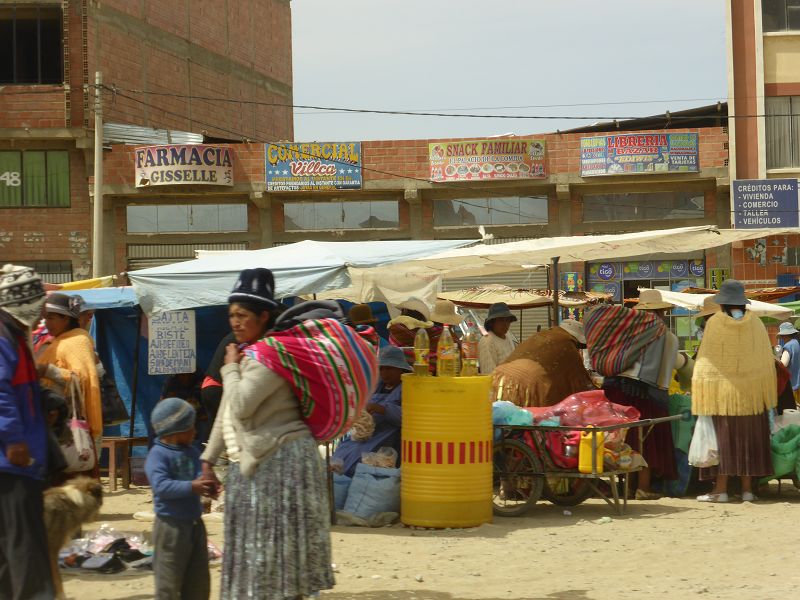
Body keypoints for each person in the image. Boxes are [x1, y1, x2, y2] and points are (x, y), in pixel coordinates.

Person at [200, 268, 335, 599]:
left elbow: (241, 404)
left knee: (279, 559)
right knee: (261, 557)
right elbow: (227, 410)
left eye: (242, 315)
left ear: (263, 316)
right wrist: (207, 460)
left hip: (283, 465)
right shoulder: (251, 352)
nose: (235, 322)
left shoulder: (274, 353)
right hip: (258, 465)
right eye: (231, 315)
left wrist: (229, 367)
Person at [586, 289, 684, 500]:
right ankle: (643, 487)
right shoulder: (668, 337)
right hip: (646, 394)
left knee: (624, 439)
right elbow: (668, 368)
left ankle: (628, 486)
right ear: (662, 312)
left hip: (617, 390)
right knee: (645, 440)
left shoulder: (626, 331)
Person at [692, 280, 776, 503]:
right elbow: (766, 360)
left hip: (724, 398)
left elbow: (706, 362)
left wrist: (702, 387)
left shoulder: (715, 323)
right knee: (747, 442)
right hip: (752, 397)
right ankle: (747, 491)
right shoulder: (756, 323)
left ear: (722, 303)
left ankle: (720, 490)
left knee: (725, 442)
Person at [0, 264, 56, 599]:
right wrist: (14, 439)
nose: (44, 311)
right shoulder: (4, 338)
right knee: (27, 552)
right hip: (13, 464)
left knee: (10, 551)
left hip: (19, 463)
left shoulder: (16, 337)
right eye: (41, 303)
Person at [145, 397, 212, 600]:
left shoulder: (192, 451)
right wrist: (192, 486)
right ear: (176, 430)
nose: (195, 431)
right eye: (191, 427)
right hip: (170, 527)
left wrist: (208, 486)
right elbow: (161, 486)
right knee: (169, 581)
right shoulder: (158, 455)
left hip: (195, 525)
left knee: (198, 581)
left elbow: (198, 477)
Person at [35, 293, 103, 471]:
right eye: (45, 318)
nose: (46, 323)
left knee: (75, 482)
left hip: (71, 427)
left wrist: (47, 371)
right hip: (52, 422)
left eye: (51, 318)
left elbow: (82, 379)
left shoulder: (78, 341)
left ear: (66, 318)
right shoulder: (55, 342)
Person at [332, 345, 410, 476]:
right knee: (341, 453)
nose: (384, 373)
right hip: (366, 434)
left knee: (357, 459)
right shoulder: (377, 385)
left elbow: (410, 417)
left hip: (387, 436)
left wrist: (381, 409)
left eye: (389, 368)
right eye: (381, 368)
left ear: (401, 369)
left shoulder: (407, 388)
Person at [492, 319, 594, 407]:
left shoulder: (542, 334)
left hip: (497, 376)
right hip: (527, 383)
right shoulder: (568, 345)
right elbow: (581, 384)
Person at [478, 302, 518, 374]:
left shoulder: (508, 338)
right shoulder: (487, 341)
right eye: (501, 320)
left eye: (507, 320)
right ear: (492, 322)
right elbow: (488, 373)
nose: (505, 324)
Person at [777, 321, 800, 405]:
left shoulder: (788, 346)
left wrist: (775, 360)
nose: (782, 338)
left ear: (785, 335)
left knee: (792, 408)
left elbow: (783, 364)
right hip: (798, 382)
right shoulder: (796, 343)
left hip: (792, 384)